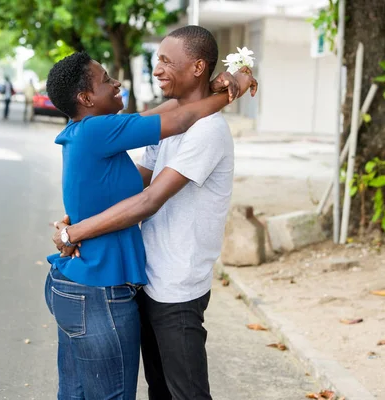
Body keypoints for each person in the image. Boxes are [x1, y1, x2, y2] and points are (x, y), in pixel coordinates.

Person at [53, 25, 258, 400]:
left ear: (198, 67)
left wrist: (76, 231)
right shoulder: (160, 128)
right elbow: (138, 179)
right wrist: (82, 215)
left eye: (166, 60)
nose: (156, 68)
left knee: (186, 394)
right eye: (156, 59)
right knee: (159, 391)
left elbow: (148, 200)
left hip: (177, 288)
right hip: (145, 280)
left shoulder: (207, 131)